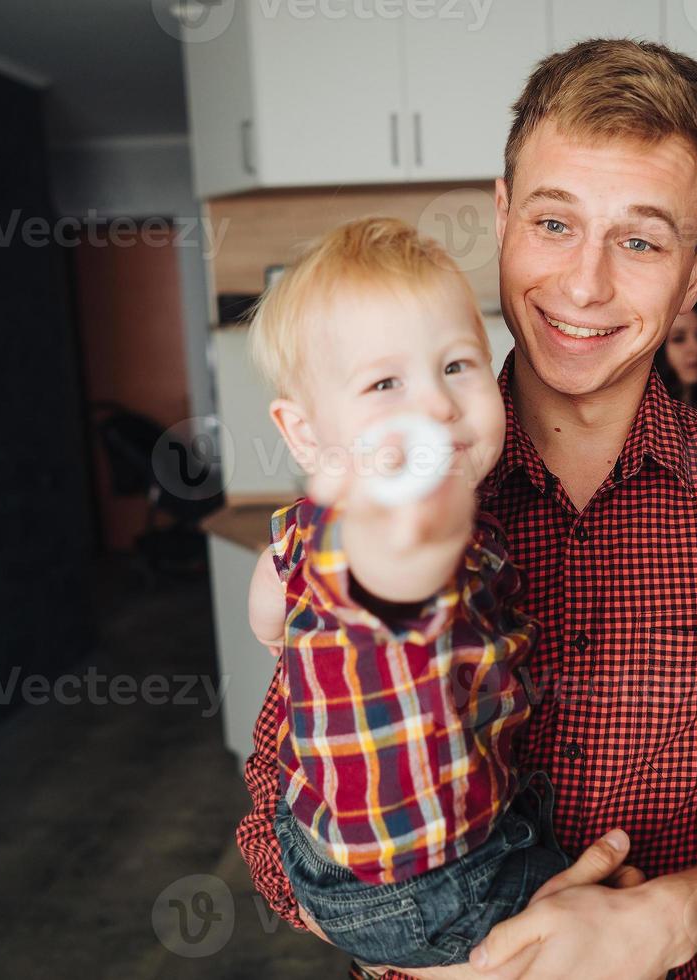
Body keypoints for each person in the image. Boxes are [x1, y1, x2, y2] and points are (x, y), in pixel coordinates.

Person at [238, 39, 697, 980]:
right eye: (555, 224)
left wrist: (672, 916)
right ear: (501, 216)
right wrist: (476, 967)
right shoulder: (384, 496)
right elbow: (276, 822)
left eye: (642, 240)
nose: (584, 285)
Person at [244, 216, 606, 970]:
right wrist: (402, 568)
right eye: (385, 383)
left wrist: (282, 632)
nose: (438, 407)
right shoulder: (390, 539)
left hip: (322, 835)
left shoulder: (301, 529)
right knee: (605, 929)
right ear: (307, 435)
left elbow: (267, 615)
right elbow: (389, 593)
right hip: (423, 882)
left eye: (457, 366)